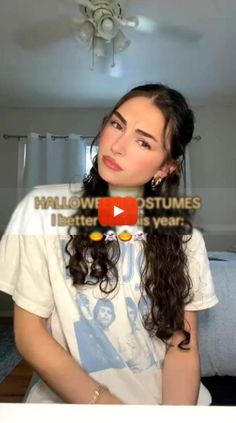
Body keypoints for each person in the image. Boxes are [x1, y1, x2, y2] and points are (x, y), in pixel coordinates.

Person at [0, 83, 219, 405]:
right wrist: (106, 406)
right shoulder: (40, 210)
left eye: (143, 142)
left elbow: (182, 346)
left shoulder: (185, 239)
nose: (117, 146)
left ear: (165, 168)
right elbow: (30, 333)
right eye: (117, 125)